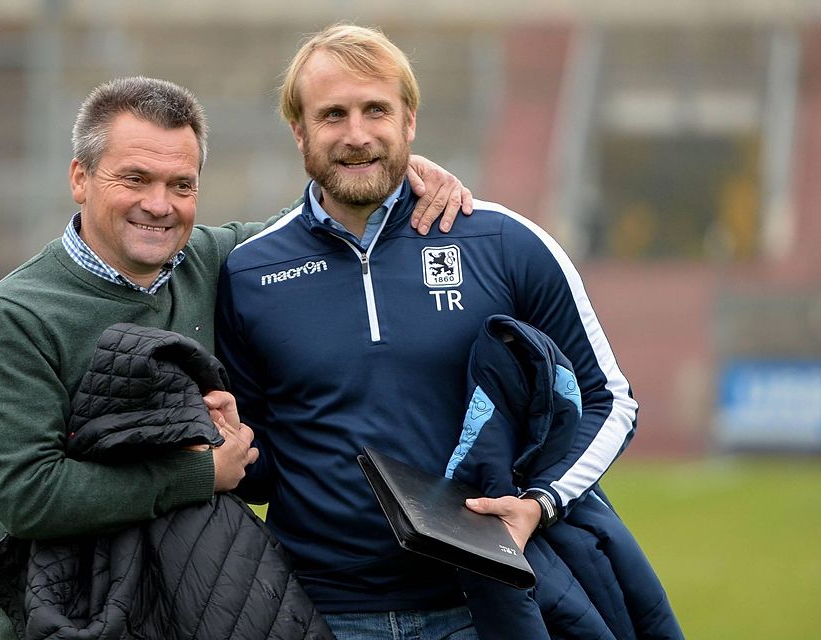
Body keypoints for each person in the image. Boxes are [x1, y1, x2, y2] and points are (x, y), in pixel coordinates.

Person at [0, 75, 472, 640]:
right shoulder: (16, 313)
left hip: (195, 606)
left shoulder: (221, 260)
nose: (159, 205)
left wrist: (388, 167)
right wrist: (199, 473)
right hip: (71, 613)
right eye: (135, 178)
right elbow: (28, 495)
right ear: (80, 178)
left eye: (181, 184)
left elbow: (321, 220)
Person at [214, 24, 670, 640]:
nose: (356, 134)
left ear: (409, 121)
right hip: (319, 614)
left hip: (480, 610)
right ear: (299, 131)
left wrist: (538, 504)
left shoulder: (505, 242)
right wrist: (221, 445)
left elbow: (608, 397)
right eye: (332, 115)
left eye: (376, 109)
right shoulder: (249, 271)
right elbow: (267, 464)